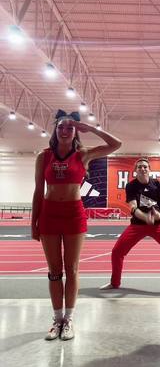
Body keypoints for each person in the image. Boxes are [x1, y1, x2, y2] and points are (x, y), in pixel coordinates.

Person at [31, 109, 121, 340]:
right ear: (55, 129)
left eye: (69, 128)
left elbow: (116, 144)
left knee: (71, 269)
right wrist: (34, 221)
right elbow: (38, 190)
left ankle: (69, 320)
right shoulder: (45, 156)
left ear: (75, 132)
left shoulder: (83, 155)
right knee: (54, 271)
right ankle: (56, 319)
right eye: (61, 127)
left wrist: (90, 128)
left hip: (73, 214)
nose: (64, 131)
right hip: (50, 214)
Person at [100, 158, 160, 291]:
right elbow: (133, 207)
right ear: (135, 170)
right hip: (137, 225)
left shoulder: (157, 184)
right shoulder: (131, 186)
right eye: (139, 167)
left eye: (145, 167)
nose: (142, 169)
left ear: (149, 170)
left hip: (159, 225)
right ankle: (115, 283)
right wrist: (145, 217)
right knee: (117, 252)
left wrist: (158, 215)